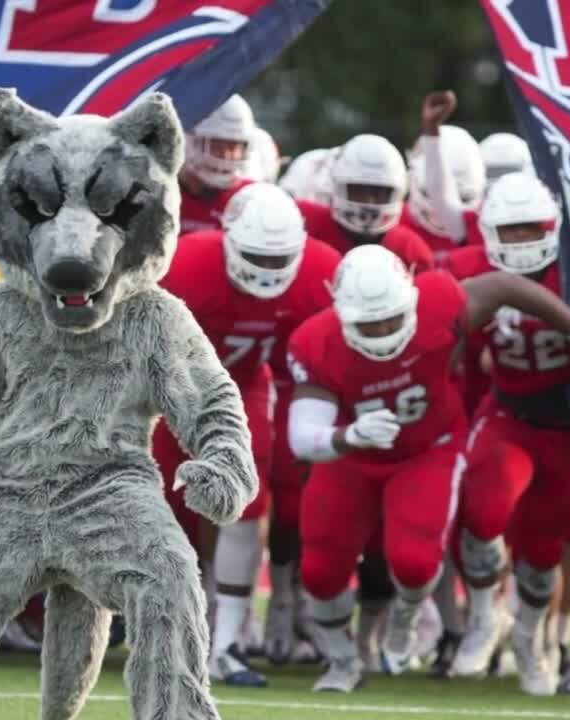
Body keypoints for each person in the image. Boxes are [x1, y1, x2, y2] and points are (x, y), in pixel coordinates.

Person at [285, 244, 570, 693]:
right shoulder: (315, 341)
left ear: (410, 299)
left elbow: (506, 286)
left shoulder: (438, 301)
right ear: (339, 312)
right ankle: (342, 660)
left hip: (427, 448)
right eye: (368, 322)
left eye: (391, 318)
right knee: (320, 571)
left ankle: (407, 614)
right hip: (352, 459)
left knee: (416, 563)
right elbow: (302, 435)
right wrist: (348, 436)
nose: (381, 329)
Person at [154, 182, 342, 687]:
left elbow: (333, 347)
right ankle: (168, 625)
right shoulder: (187, 264)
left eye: (280, 257)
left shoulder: (321, 273)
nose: (267, 269)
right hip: (165, 391)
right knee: (162, 506)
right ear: (228, 239)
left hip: (242, 388)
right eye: (257, 255)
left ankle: (229, 641)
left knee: (244, 501)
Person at [442, 172, 570, 695]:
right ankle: (484, 617)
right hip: (509, 412)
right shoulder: (467, 268)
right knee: (484, 512)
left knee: (542, 549)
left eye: (529, 228)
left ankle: (531, 639)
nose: (518, 241)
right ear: (488, 231)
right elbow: (441, 334)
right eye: (508, 231)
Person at [296, 133, 434, 270]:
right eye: (360, 191)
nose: (369, 201)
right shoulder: (308, 224)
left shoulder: (407, 248)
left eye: (379, 192)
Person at [404, 91, 487, 259]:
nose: (440, 210)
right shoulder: (391, 227)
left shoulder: (489, 230)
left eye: (462, 197)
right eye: (429, 193)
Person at [179, 94, 256, 232]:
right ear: (189, 141)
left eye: (233, 147)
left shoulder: (252, 198)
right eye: (217, 146)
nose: (226, 155)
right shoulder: (159, 194)